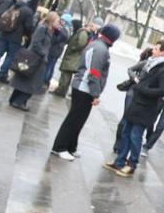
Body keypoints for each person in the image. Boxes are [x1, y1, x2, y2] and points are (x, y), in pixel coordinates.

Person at [50, 24, 120, 161]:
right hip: (84, 88)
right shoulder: (101, 49)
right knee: (74, 120)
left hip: (83, 86)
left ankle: (70, 146)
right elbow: (94, 73)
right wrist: (95, 94)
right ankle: (60, 147)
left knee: (78, 120)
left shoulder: (98, 45)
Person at [107, 41, 164, 176]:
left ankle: (132, 165)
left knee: (135, 136)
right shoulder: (151, 63)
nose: (152, 50)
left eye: (156, 49)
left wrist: (142, 89)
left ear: (163, 52)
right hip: (136, 104)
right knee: (126, 132)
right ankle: (119, 162)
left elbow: (163, 90)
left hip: (146, 108)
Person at [8, 11, 62, 111]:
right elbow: (36, 43)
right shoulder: (43, 28)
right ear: (52, 20)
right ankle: (18, 101)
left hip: (38, 59)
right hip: (35, 58)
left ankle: (16, 100)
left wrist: (58, 32)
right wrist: (43, 54)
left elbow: (55, 41)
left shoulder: (51, 30)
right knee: (32, 83)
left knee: (28, 81)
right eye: (58, 21)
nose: (59, 23)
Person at [0, 0, 34, 84]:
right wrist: (28, 35)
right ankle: (2, 74)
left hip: (5, 33)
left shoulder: (13, 6)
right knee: (10, 56)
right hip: (17, 37)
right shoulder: (28, 11)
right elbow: (28, 26)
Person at [53, 18, 99, 97]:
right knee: (66, 75)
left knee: (66, 75)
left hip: (73, 57)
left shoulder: (83, 32)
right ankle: (61, 90)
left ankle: (61, 91)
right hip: (73, 57)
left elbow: (81, 44)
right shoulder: (84, 32)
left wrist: (73, 48)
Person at [41, 13, 72, 91]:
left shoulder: (62, 29)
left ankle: (44, 81)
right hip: (58, 50)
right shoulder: (68, 29)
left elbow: (56, 39)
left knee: (49, 66)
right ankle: (46, 81)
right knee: (51, 66)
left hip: (54, 50)